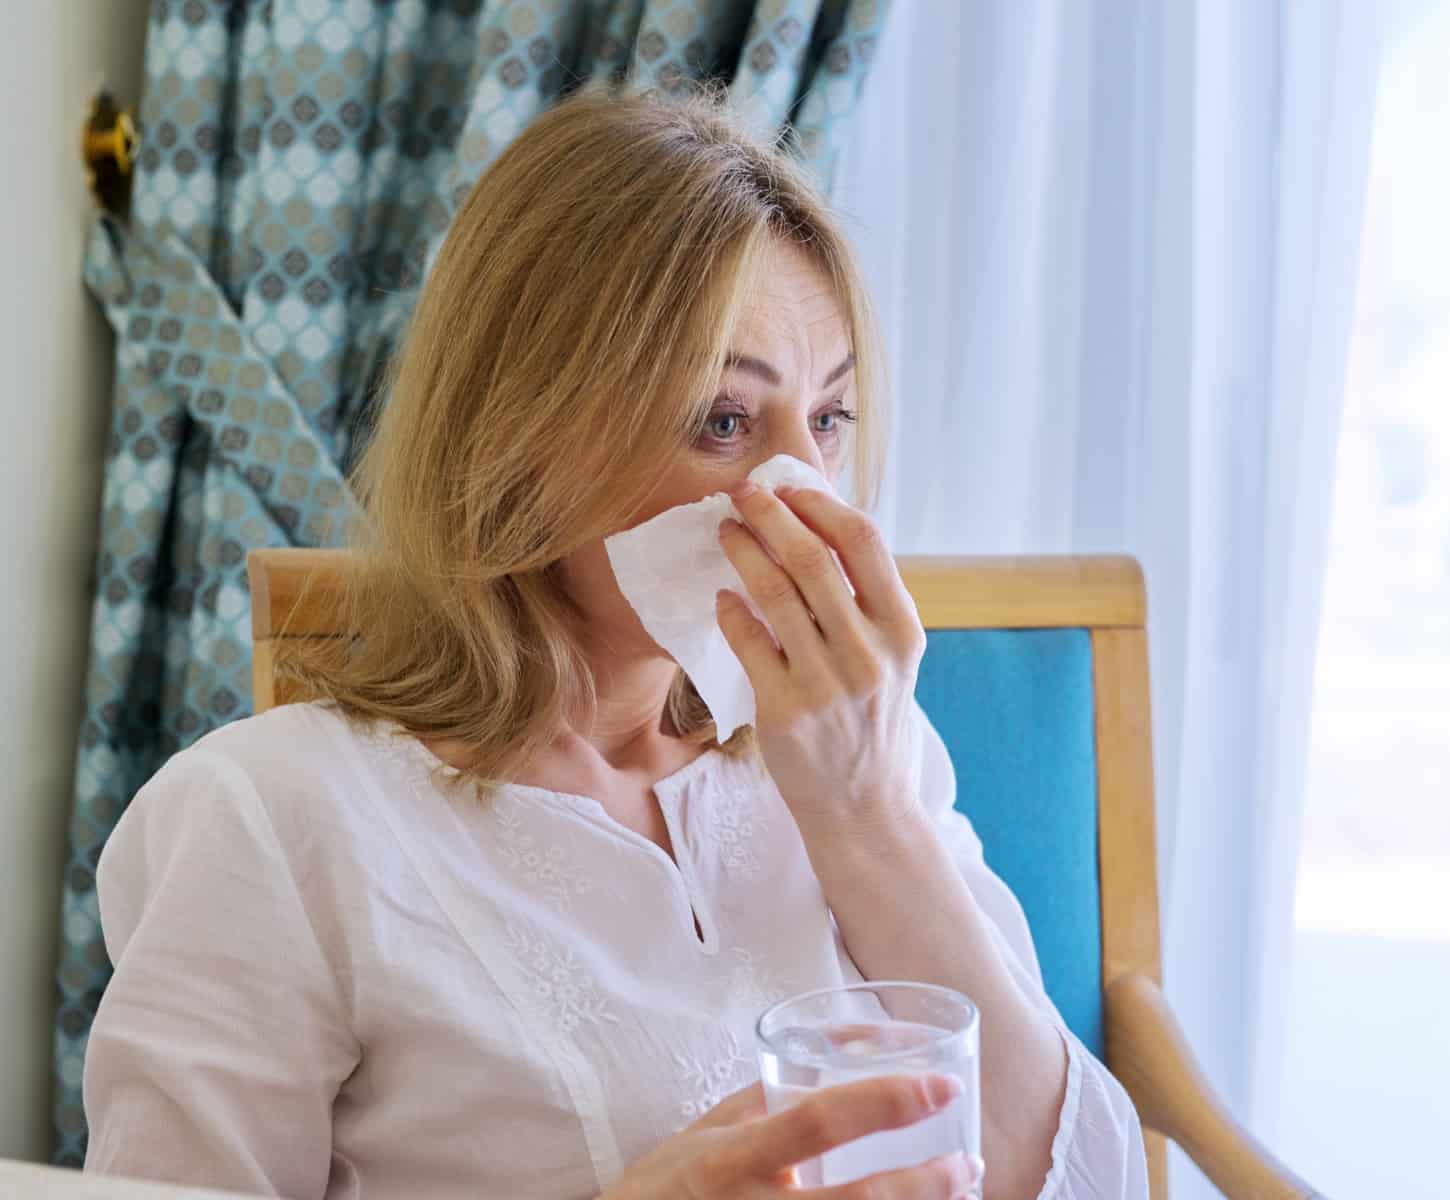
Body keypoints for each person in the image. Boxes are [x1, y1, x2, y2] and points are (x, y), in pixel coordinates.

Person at [81, 88, 1148, 1200]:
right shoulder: (274, 821)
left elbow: (1094, 1179)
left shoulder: (865, 755)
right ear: (523, 434)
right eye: (724, 422)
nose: (804, 493)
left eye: (827, 420)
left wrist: (866, 810)